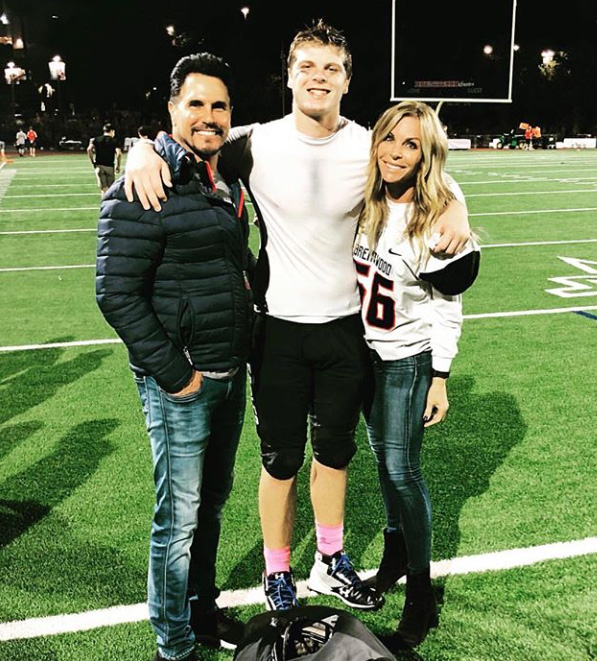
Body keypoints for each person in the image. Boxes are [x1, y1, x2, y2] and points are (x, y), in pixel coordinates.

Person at [124, 19, 471, 613]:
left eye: (331, 68)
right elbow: (192, 139)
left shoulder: (367, 146)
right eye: (306, 66)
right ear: (288, 76)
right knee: (280, 461)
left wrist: (457, 209)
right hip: (278, 330)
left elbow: (427, 169)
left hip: (345, 330)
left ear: (347, 81)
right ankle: (277, 569)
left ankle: (330, 562)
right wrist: (142, 149)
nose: (318, 77)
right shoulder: (254, 142)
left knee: (334, 455)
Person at [96, 52, 255, 661]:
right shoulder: (144, 182)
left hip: (228, 373)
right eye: (196, 104)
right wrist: (174, 373)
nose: (208, 116)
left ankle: (201, 612)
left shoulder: (224, 180)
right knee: (179, 519)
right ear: (172, 108)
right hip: (183, 383)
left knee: (209, 507)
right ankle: (174, 642)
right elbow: (115, 293)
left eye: (220, 106)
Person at [355, 100, 480, 648]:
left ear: (428, 154)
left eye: (412, 144)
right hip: (364, 354)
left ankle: (421, 593)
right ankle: (394, 556)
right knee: (383, 461)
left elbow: (448, 306)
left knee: (402, 470)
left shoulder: (435, 220)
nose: (396, 152)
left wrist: (441, 375)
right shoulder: (364, 198)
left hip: (407, 357)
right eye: (389, 138)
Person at [87, 123, 122, 196]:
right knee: (111, 188)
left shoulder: (96, 139)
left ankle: (104, 201)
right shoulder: (114, 141)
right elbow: (119, 154)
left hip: (99, 165)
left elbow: (89, 149)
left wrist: (92, 161)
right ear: (112, 131)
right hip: (109, 166)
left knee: (103, 188)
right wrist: (118, 165)